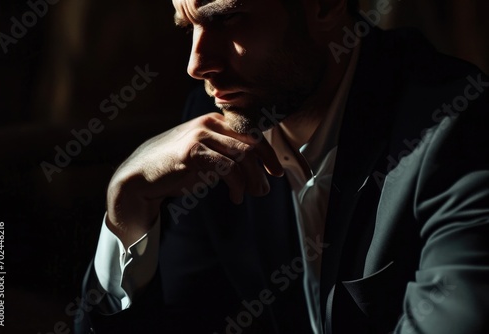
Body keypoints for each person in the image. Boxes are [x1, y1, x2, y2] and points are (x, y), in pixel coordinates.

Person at [76, 0, 489, 333]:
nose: (197, 64)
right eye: (189, 28)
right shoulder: (215, 129)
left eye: (230, 18)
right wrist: (127, 207)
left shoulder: (457, 124)